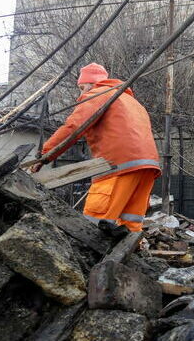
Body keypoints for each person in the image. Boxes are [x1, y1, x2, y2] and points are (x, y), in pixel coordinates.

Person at [31, 63, 160, 233]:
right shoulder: (133, 102)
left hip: (119, 166)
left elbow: (74, 127)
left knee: (93, 224)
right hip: (148, 167)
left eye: (82, 87)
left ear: (92, 84)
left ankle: (87, 259)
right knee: (131, 224)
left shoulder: (98, 94)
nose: (81, 93)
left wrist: (45, 155)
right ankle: (131, 256)